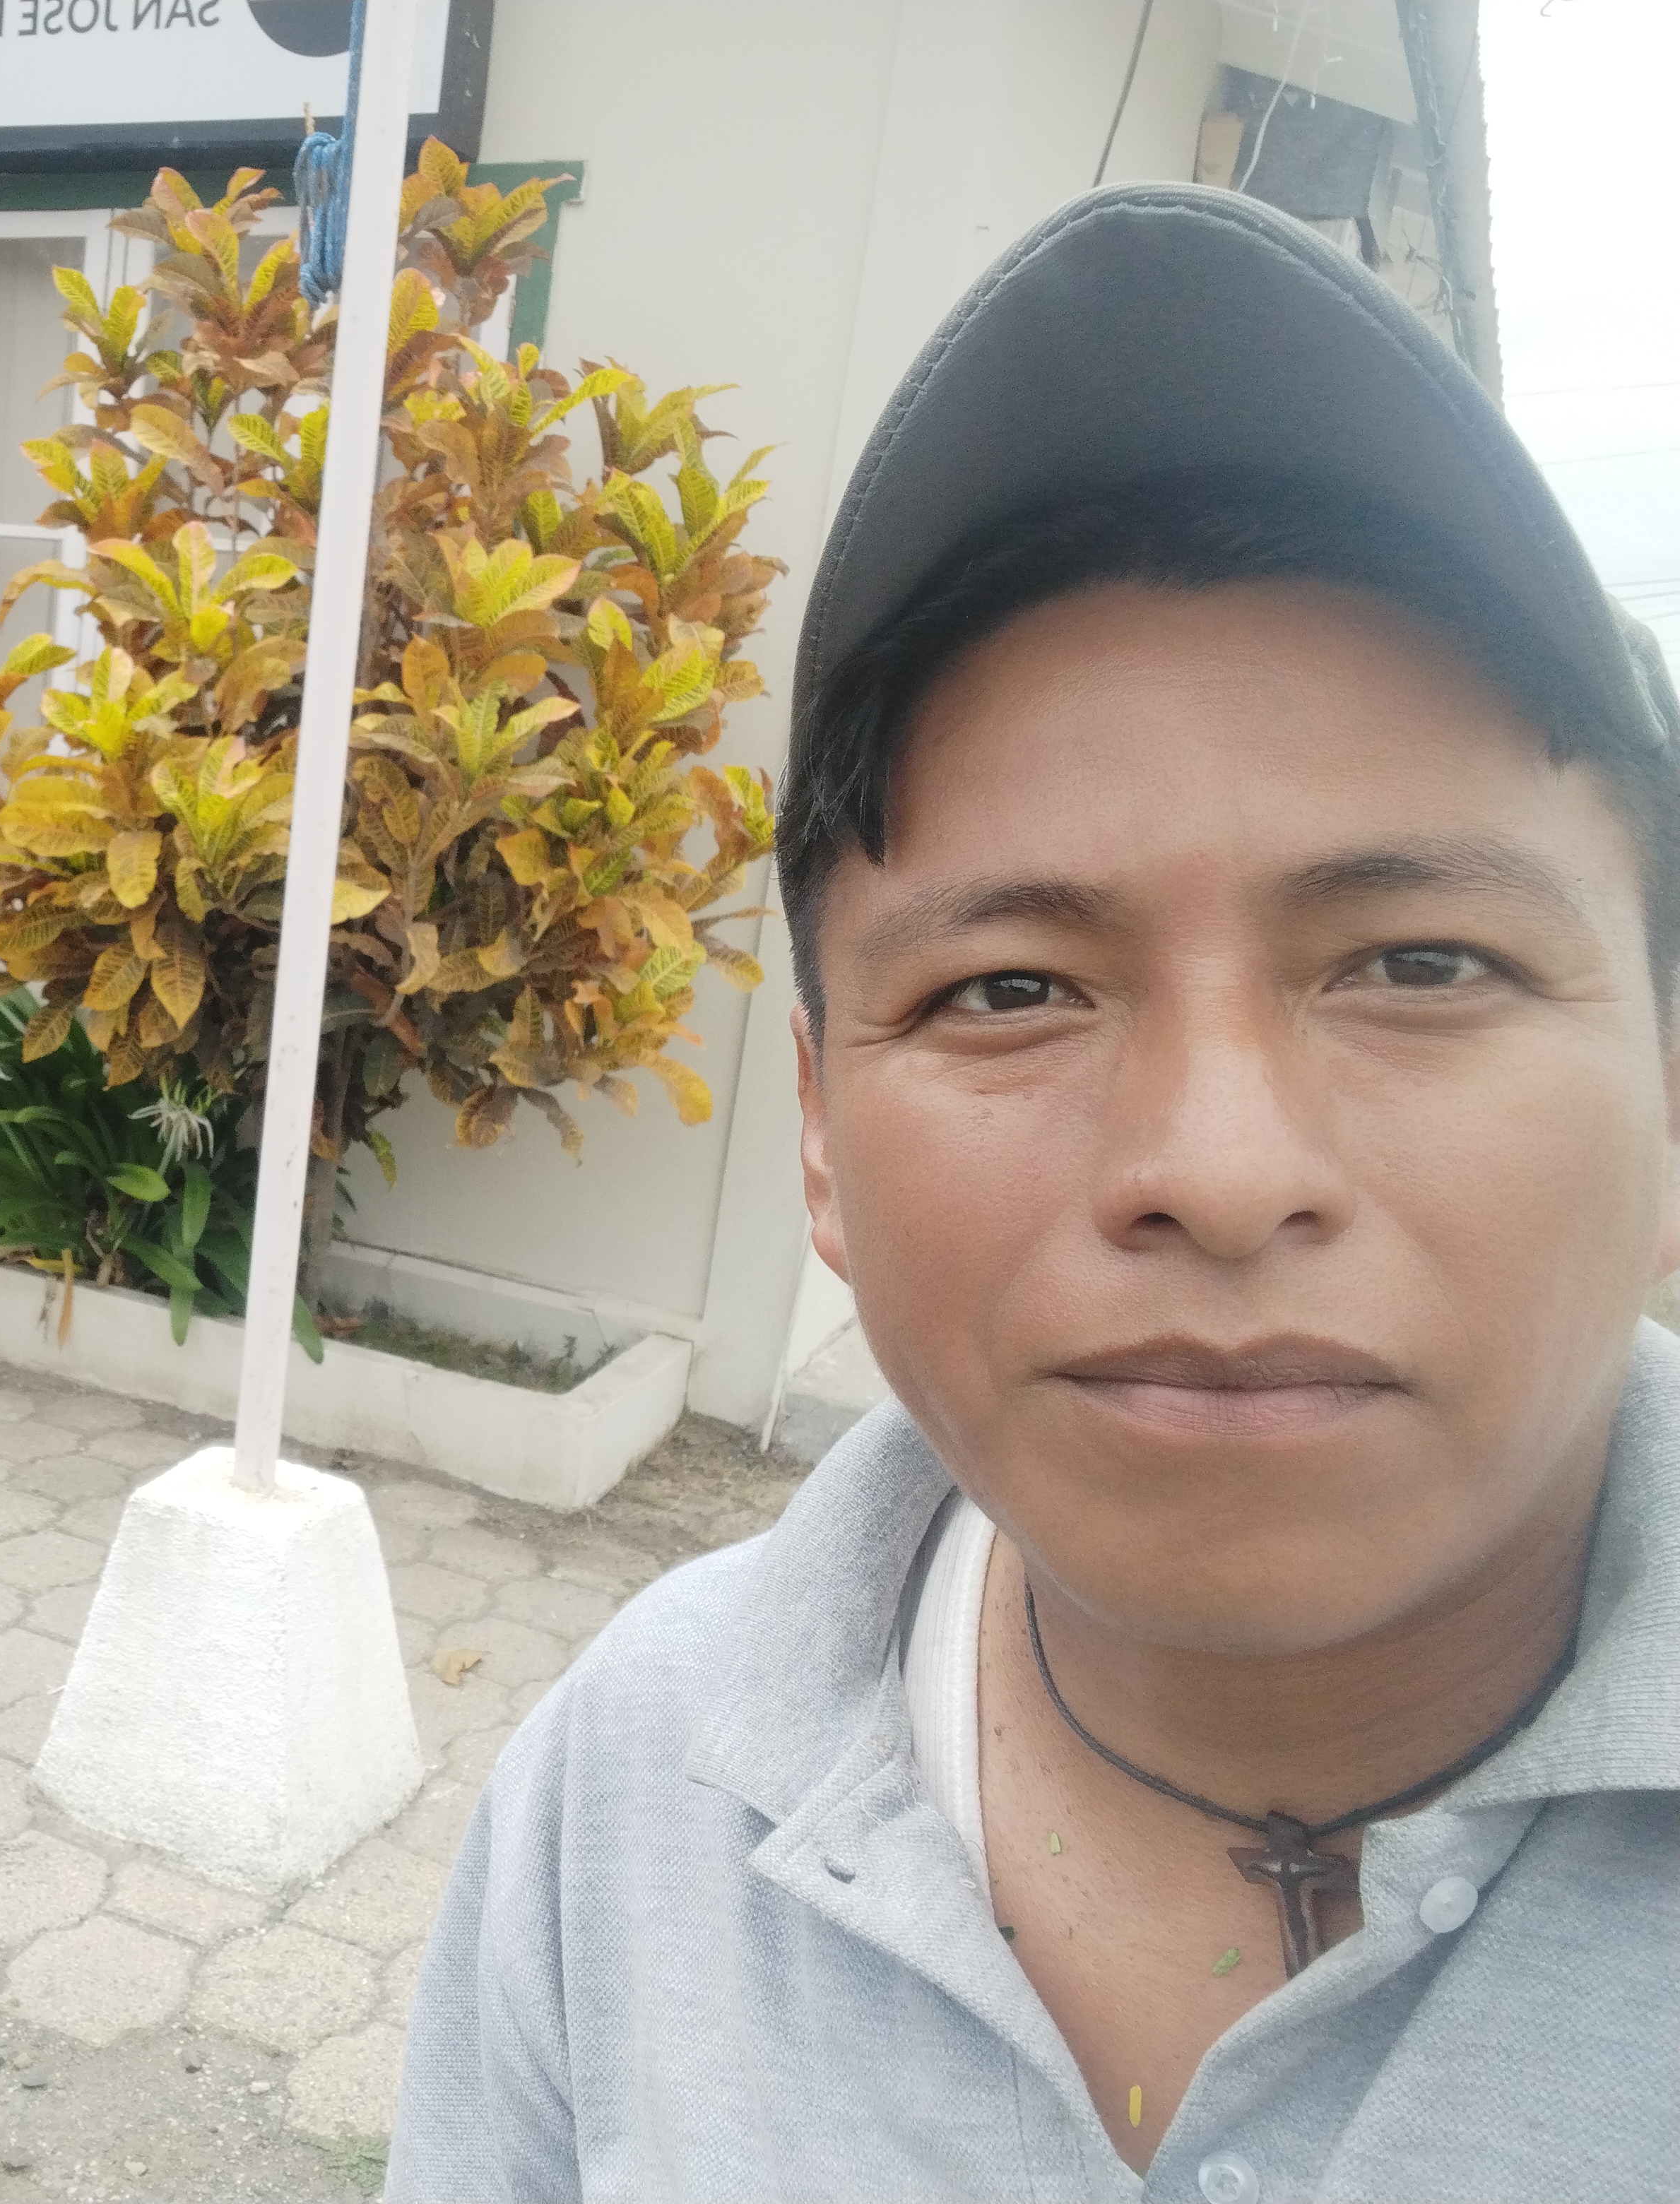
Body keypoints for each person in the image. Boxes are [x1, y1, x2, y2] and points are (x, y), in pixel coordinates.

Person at [384, 182, 1679, 2203]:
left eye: (1422, 963)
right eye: (1008, 991)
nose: (1219, 1175)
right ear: (821, 1136)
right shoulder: (629, 1781)